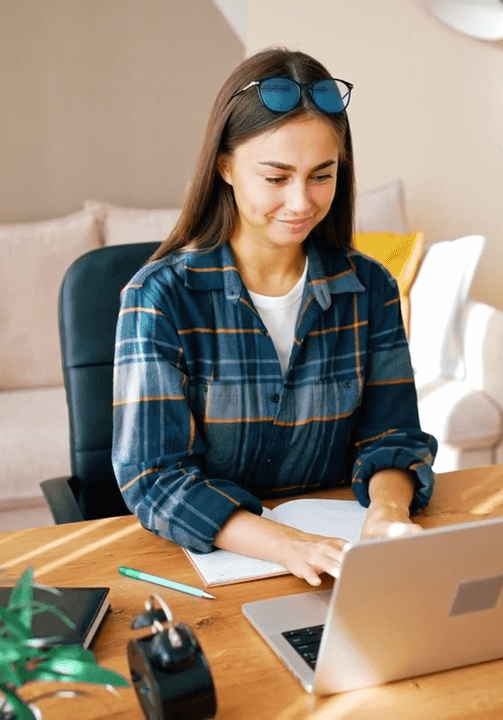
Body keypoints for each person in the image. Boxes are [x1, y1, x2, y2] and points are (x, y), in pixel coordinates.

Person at [111, 48, 437, 587]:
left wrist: (388, 513)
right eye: (276, 176)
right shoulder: (160, 298)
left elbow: (393, 436)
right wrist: (288, 545)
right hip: (220, 570)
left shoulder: (370, 287)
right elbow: (154, 478)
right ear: (225, 166)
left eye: (321, 175)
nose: (301, 202)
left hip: (342, 565)